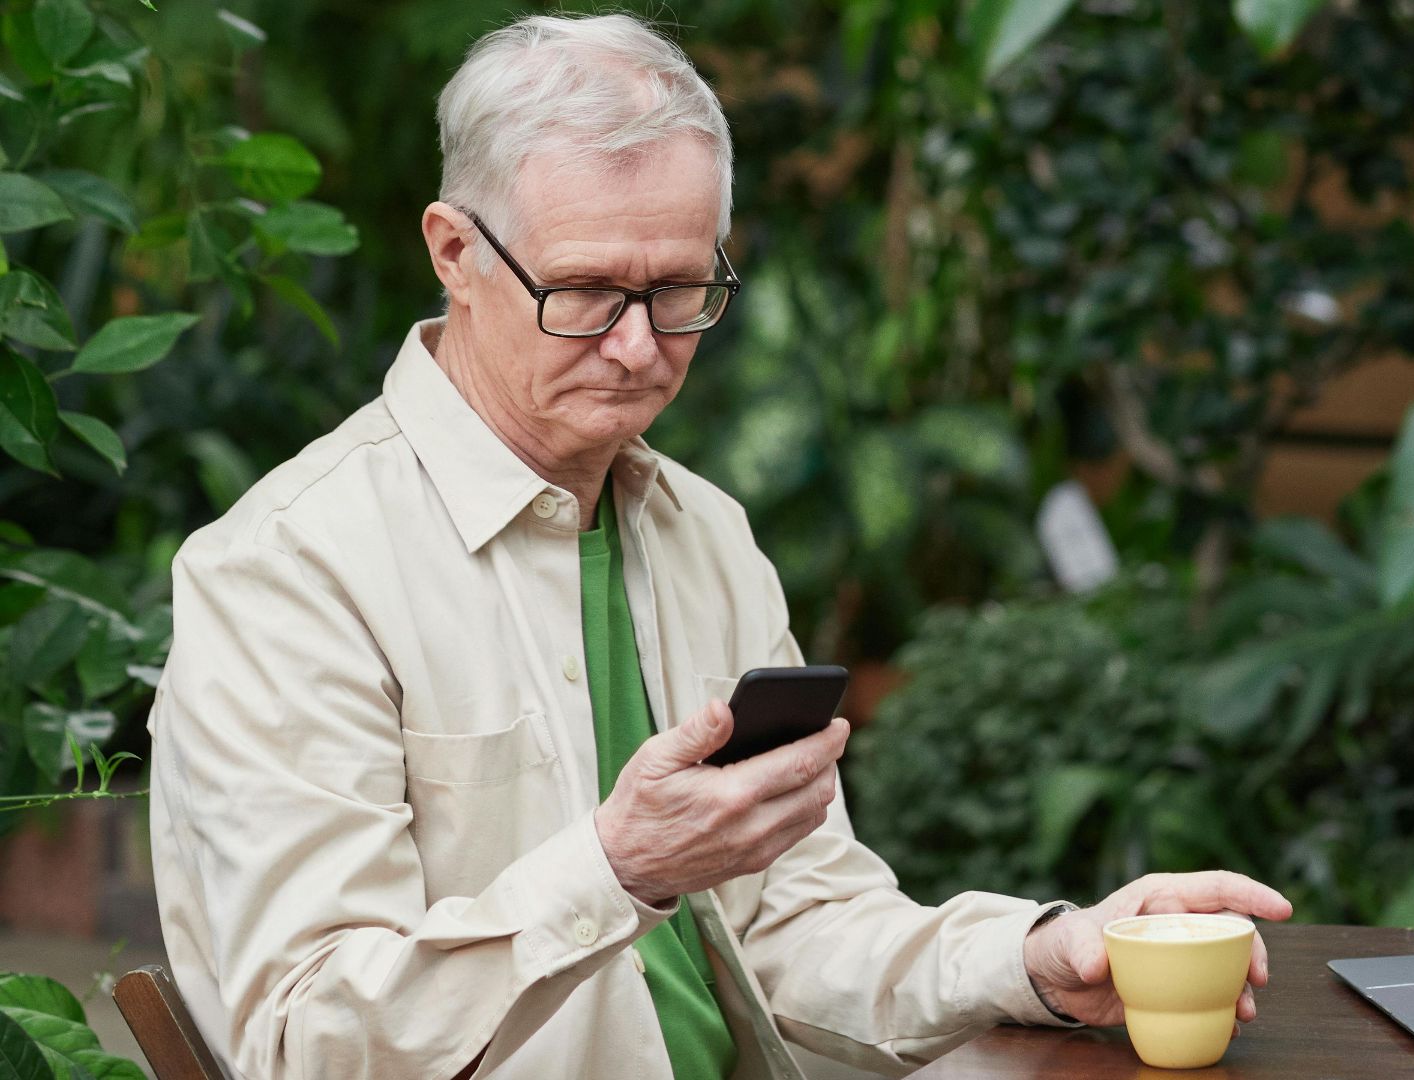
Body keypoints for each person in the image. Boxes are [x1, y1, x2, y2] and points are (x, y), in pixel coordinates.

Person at [147, 13, 1291, 1079]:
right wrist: (619, 869)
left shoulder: (706, 535)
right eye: (589, 291)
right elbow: (303, 1040)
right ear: (454, 251)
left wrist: (1044, 956)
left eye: (682, 288)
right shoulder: (287, 572)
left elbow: (798, 925)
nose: (641, 349)